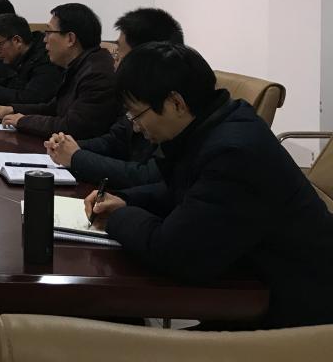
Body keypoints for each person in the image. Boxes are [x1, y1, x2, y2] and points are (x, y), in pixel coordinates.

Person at [86, 42, 333, 329]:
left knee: (109, 334)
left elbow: (174, 253)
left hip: (297, 314)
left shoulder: (233, 153)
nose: (136, 127)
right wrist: (125, 199)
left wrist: (117, 217)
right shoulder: (217, 124)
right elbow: (187, 191)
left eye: (137, 115)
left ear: (176, 103)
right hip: (258, 284)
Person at [46, 7, 182, 188]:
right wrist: (67, 146)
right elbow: (116, 140)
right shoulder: (137, 93)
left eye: (118, 53)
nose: (114, 61)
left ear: (145, 58)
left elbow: (148, 176)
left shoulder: (171, 104)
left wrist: (77, 157)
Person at [0, 3, 116, 139]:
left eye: (49, 33)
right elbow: (54, 108)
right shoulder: (79, 65)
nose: (44, 39)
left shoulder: (96, 74)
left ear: (70, 39)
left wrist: (23, 121)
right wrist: (11, 109)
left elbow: (73, 127)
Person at [0, 14, 63, 105]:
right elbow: (14, 84)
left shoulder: (46, 59)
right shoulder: (26, 54)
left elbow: (31, 98)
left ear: (17, 41)